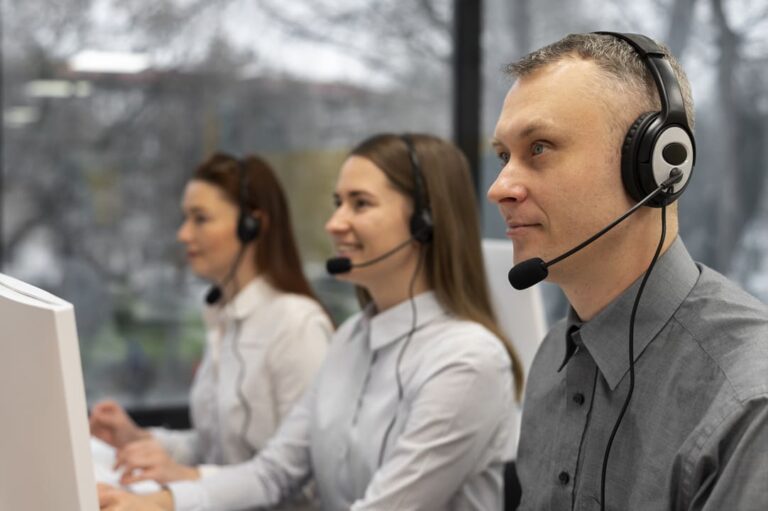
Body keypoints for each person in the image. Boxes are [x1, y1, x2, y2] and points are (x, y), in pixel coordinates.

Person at [97, 133, 524, 511]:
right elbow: (273, 473)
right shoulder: (351, 340)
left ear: (425, 223)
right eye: (339, 204)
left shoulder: (469, 361)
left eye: (360, 204)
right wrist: (163, 501)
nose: (334, 224)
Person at [487, 32, 768, 510]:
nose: (500, 188)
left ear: (659, 164)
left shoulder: (747, 400)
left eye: (539, 148)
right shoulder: (554, 353)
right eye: (503, 156)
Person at [90, 153, 332, 502]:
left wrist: (190, 478)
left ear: (253, 225)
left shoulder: (297, 325)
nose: (183, 234)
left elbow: (304, 478)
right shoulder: (224, 319)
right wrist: (138, 438)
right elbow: (211, 447)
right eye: (185, 218)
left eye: (200, 219)